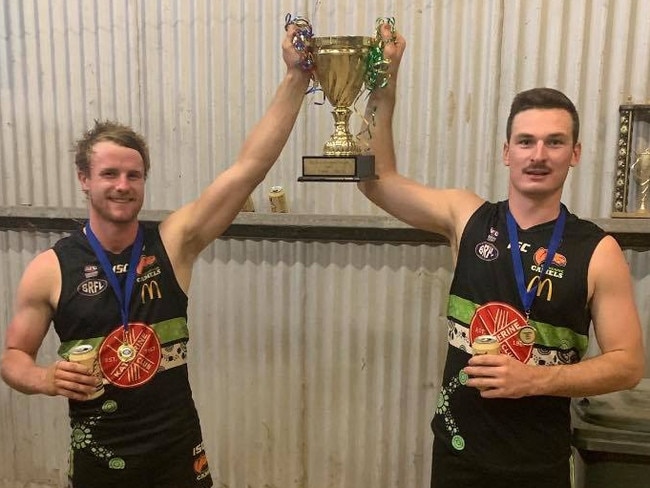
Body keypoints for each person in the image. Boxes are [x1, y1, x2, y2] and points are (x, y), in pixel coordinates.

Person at [0, 24, 311, 488]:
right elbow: (12, 357)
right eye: (109, 173)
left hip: (177, 457)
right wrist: (45, 379)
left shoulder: (173, 244)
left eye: (134, 174)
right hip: (100, 463)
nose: (122, 185)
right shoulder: (50, 268)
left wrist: (296, 77)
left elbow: (249, 169)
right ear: (84, 178)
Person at [358, 23, 645, 488]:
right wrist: (383, 86)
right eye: (526, 141)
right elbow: (376, 181)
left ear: (574, 154)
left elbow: (628, 364)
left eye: (554, 142)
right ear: (505, 152)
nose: (539, 154)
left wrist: (535, 380)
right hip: (457, 455)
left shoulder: (597, 250)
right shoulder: (466, 216)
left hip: (537, 467)